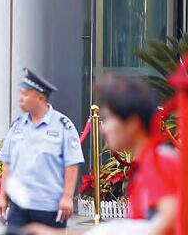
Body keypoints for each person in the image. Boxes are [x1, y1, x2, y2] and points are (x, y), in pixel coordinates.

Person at [25, 74, 179, 235]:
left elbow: (170, 216)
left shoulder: (156, 162)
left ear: (132, 123)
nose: (103, 128)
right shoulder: (150, 162)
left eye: (109, 118)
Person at [0, 68, 85, 229]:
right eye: (21, 94)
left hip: (49, 207)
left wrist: (67, 197)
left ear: (41, 98)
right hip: (18, 207)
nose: (20, 99)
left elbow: (71, 164)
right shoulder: (17, 126)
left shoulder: (63, 126)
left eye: (25, 95)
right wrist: (3, 197)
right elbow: (7, 163)